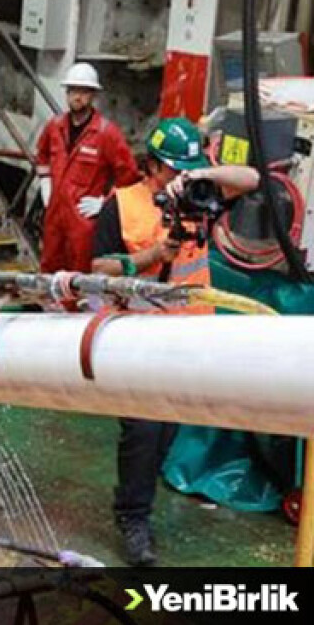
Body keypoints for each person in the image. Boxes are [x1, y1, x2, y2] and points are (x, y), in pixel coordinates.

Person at [90, 117, 259, 566]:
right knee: (143, 433)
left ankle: (138, 503)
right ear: (150, 165)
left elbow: (252, 178)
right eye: (172, 168)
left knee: (167, 430)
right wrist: (150, 257)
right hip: (138, 339)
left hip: (189, 337)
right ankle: (133, 518)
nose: (176, 176)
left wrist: (201, 175)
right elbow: (99, 268)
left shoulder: (199, 199)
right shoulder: (121, 205)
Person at [35, 63, 140, 273]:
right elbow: (42, 154)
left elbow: (129, 177)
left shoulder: (106, 133)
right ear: (67, 93)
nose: (77, 96)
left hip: (83, 219)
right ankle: (48, 306)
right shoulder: (55, 127)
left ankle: (76, 307)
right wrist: (45, 182)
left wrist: (105, 203)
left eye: (83, 91)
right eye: (73, 90)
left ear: (93, 95)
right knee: (48, 267)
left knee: (80, 273)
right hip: (55, 214)